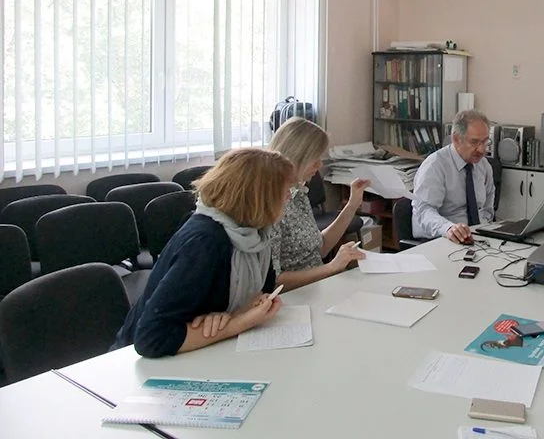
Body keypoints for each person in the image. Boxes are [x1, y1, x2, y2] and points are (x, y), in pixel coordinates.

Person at [112, 148, 292, 358]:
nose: (289, 196)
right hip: (136, 362)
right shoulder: (205, 242)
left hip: (204, 352)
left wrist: (237, 313)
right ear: (259, 197)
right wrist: (237, 323)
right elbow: (151, 338)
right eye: (284, 190)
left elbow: (262, 292)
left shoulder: (256, 234)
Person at [268, 117, 369, 291]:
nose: (320, 164)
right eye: (315, 158)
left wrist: (352, 204)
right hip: (295, 296)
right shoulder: (271, 204)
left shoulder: (299, 192)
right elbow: (273, 281)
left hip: (317, 287)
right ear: (296, 158)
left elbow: (319, 248)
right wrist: (331, 267)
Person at [412, 109, 495, 244]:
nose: (481, 150)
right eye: (474, 142)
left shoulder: (483, 165)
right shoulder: (435, 165)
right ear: (456, 139)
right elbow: (424, 211)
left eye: (485, 142)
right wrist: (448, 228)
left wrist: (484, 230)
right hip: (438, 239)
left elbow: (487, 208)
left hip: (475, 239)